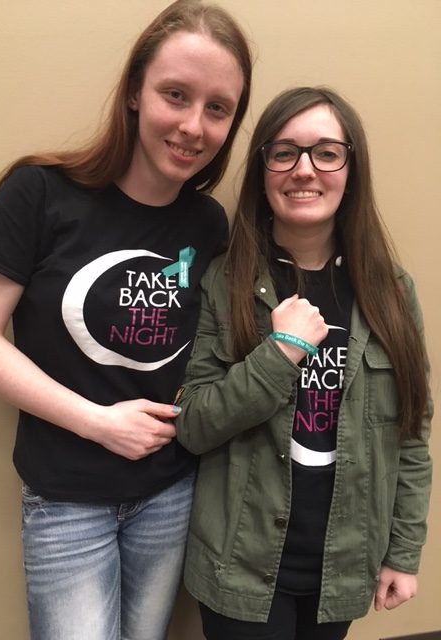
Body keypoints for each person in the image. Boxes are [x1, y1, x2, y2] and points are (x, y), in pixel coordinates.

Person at [0, 2, 252, 639]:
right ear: (132, 92)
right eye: (174, 95)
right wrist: (98, 424)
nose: (192, 126)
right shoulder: (38, 192)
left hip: (171, 493)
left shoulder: (207, 225)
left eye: (218, 108)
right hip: (66, 500)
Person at [174, 86, 433, 640]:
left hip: (344, 564)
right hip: (240, 566)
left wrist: (404, 553)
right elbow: (193, 425)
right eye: (284, 152)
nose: (304, 170)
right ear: (264, 168)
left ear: (350, 167)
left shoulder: (389, 291)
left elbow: (411, 436)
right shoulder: (226, 280)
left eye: (327, 152)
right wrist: (280, 354)